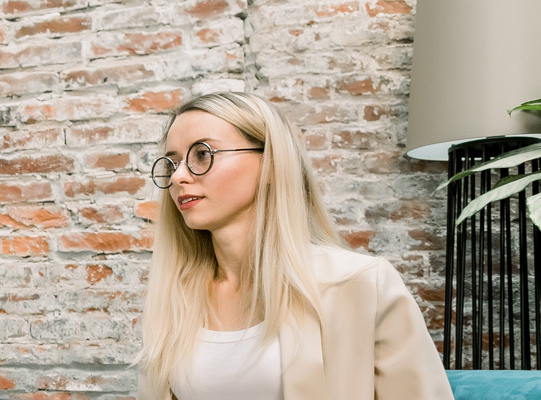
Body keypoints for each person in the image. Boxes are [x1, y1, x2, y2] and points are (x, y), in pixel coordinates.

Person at [135, 92, 452, 399]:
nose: (178, 177)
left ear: (270, 163)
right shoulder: (176, 295)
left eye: (202, 154)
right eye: (172, 163)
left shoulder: (360, 285)